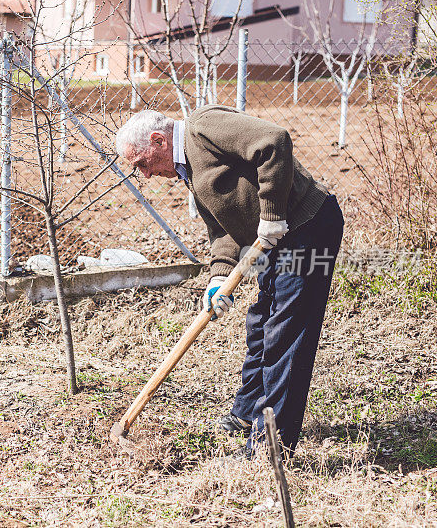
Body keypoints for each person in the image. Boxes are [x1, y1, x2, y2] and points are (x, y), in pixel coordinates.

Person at [115, 106, 344, 457]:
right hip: (275, 240)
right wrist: (218, 278)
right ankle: (247, 414)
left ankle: (271, 445)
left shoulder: (204, 128)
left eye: (141, 163)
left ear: (158, 140)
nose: (144, 175)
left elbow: (274, 141)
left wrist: (271, 215)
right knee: (260, 326)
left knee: (285, 335)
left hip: (308, 227)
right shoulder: (188, 169)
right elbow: (222, 230)